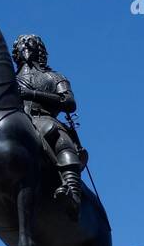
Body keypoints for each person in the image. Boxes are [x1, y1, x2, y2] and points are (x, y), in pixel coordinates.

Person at [12, 34, 87, 219]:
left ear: (39, 50)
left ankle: (73, 193)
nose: (25, 48)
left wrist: (32, 93)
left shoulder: (55, 77)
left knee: (60, 137)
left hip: (45, 119)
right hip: (16, 120)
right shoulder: (8, 78)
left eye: (29, 44)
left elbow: (69, 102)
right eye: (21, 46)